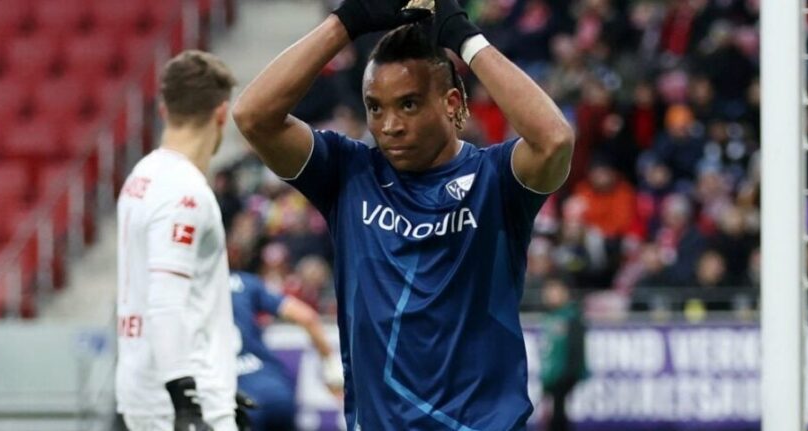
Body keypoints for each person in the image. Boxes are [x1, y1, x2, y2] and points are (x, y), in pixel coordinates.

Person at [232, 0, 574, 428]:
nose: (389, 125)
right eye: (375, 107)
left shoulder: (497, 179)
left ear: (451, 102)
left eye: (408, 104)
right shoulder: (348, 174)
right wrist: (347, 22)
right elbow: (253, 116)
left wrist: (464, 38)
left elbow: (555, 140)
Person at [116, 51, 239, 431]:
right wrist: (188, 402)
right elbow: (166, 302)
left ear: (163, 108)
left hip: (143, 385)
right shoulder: (185, 193)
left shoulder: (141, 177)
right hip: (182, 399)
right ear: (222, 114)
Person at [230, 271, 343, 431]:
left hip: (236, 396)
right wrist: (331, 369)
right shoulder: (244, 282)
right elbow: (307, 317)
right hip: (275, 389)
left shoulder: (196, 291)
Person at [539, 277, 587, 431]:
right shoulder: (550, 317)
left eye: (554, 291)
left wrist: (570, 373)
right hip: (552, 374)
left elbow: (576, 348)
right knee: (554, 413)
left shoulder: (571, 317)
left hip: (564, 374)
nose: (550, 295)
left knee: (559, 413)